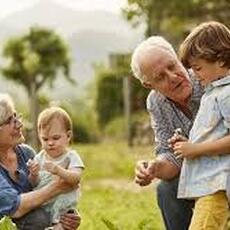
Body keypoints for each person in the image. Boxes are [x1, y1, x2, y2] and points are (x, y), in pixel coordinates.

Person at [131, 35, 230, 230]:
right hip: (204, 173)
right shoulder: (156, 102)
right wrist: (154, 168)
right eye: (160, 77)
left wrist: (195, 147)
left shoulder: (211, 77)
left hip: (223, 167)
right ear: (149, 84)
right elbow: (172, 157)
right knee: (167, 189)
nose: (173, 77)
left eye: (173, 66)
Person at [171, 21, 230, 230]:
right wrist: (189, 144)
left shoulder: (226, 93)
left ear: (221, 60)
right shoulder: (213, 92)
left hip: (217, 187)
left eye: (198, 67)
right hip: (208, 186)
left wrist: (196, 149)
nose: (194, 74)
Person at [0, 93, 80, 230]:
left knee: (41, 218)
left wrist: (66, 215)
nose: (19, 124)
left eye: (16, 116)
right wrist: (58, 186)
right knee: (39, 219)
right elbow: (15, 207)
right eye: (10, 120)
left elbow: (44, 193)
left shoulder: (26, 154)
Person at [32, 107, 84, 229]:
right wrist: (33, 174)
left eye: (55, 138)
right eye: (45, 139)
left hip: (63, 206)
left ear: (68, 136)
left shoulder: (71, 156)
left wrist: (59, 170)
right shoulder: (39, 157)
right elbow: (33, 183)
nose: (50, 143)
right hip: (43, 204)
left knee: (63, 224)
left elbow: (76, 178)